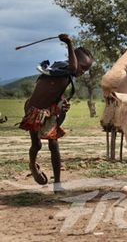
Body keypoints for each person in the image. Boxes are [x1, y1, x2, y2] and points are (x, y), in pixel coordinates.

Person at [19, 34, 93, 193]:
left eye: (86, 70)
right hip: (34, 110)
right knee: (36, 144)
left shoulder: (66, 75)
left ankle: (57, 184)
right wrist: (69, 43)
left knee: (54, 145)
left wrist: (62, 104)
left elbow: (58, 93)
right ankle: (33, 165)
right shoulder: (61, 67)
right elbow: (72, 68)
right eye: (83, 67)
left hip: (50, 112)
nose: (82, 72)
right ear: (73, 58)